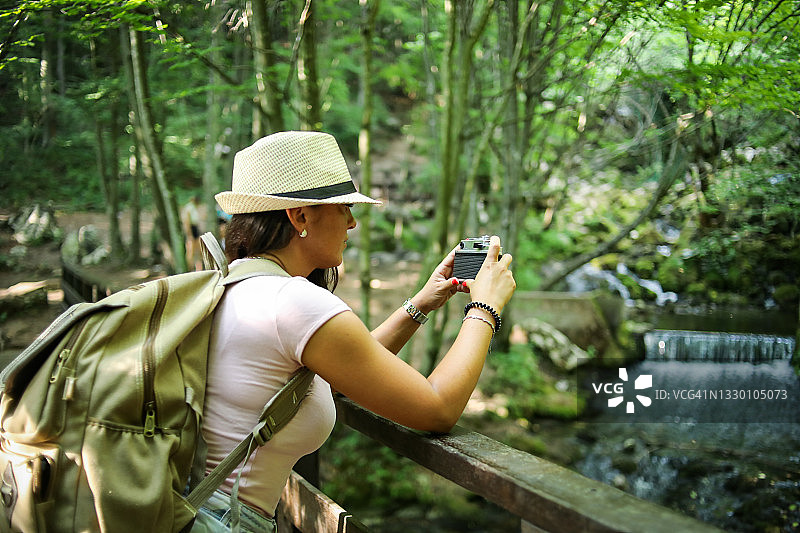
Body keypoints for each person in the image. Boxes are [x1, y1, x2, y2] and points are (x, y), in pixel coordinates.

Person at [197, 131, 516, 532]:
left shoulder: (231, 285)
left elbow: (339, 372)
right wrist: (484, 308)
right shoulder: (294, 303)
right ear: (300, 217)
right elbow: (438, 409)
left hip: (199, 511)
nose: (352, 222)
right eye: (344, 207)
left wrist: (420, 304)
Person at [182, 194, 203, 270]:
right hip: (191, 229)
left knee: (198, 250)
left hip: (195, 228)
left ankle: (198, 268)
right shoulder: (189, 208)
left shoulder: (194, 207)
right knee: (190, 251)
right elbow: (186, 222)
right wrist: (189, 234)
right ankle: (189, 269)